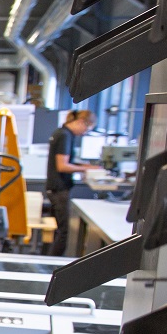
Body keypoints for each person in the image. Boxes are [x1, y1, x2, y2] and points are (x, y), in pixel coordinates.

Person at [46, 109, 97, 256]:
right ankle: (53, 264)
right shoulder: (64, 135)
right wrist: (85, 169)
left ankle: (51, 261)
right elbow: (62, 166)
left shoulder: (63, 133)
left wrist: (86, 166)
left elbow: (67, 162)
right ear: (81, 122)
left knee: (61, 231)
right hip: (59, 189)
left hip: (57, 188)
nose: (84, 133)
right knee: (64, 232)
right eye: (86, 129)